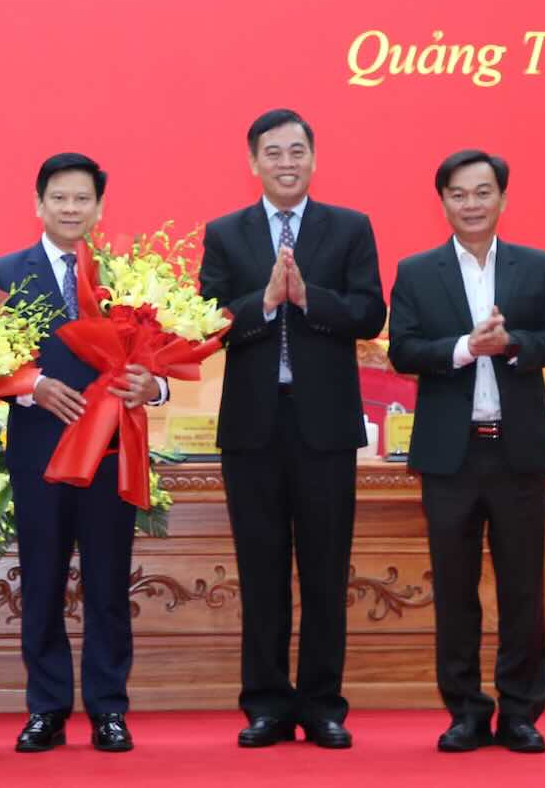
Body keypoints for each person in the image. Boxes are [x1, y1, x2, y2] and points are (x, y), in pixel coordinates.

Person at [198, 109, 385, 750]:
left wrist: (309, 300)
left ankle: (324, 705)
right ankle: (267, 705)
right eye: (273, 153)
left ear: (313, 158)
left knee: (327, 571)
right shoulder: (226, 233)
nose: (286, 162)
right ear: (253, 162)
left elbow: (370, 312)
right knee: (262, 570)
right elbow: (207, 320)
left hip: (326, 427)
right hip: (253, 428)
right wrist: (266, 304)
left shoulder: (349, 228)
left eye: (297, 151)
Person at [387, 149, 545, 755]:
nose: (471, 204)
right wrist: (468, 347)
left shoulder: (537, 267)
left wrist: (512, 343)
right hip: (451, 456)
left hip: (516, 452)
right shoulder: (417, 271)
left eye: (483, 192)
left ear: (502, 199)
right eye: (459, 194)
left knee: (523, 588)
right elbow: (405, 351)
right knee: (455, 587)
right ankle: (465, 711)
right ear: (442, 201)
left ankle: (521, 712)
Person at [0, 152, 167, 753]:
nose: (70, 208)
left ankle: (109, 710)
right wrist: (31, 385)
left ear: (99, 206)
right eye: (59, 198)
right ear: (39, 203)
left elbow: (160, 358)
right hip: (40, 450)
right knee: (41, 580)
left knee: (109, 583)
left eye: (82, 198)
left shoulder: (128, 274)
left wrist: (156, 387)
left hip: (111, 450)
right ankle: (47, 709)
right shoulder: (5, 271)